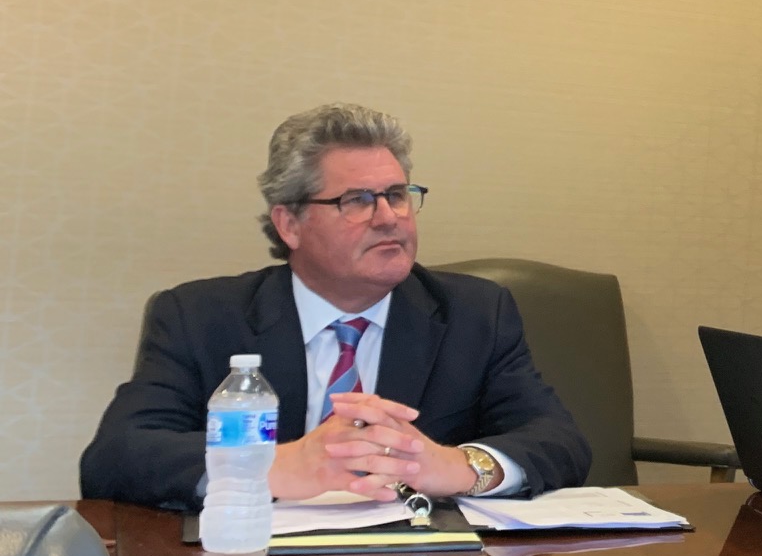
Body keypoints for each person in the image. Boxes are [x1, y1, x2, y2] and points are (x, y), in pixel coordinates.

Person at [81, 102, 592, 509]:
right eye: (357, 201)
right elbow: (117, 456)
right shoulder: (200, 316)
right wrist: (274, 466)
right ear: (289, 224)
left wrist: (456, 466)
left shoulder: (475, 312)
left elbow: (558, 440)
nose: (389, 217)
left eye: (397, 195)